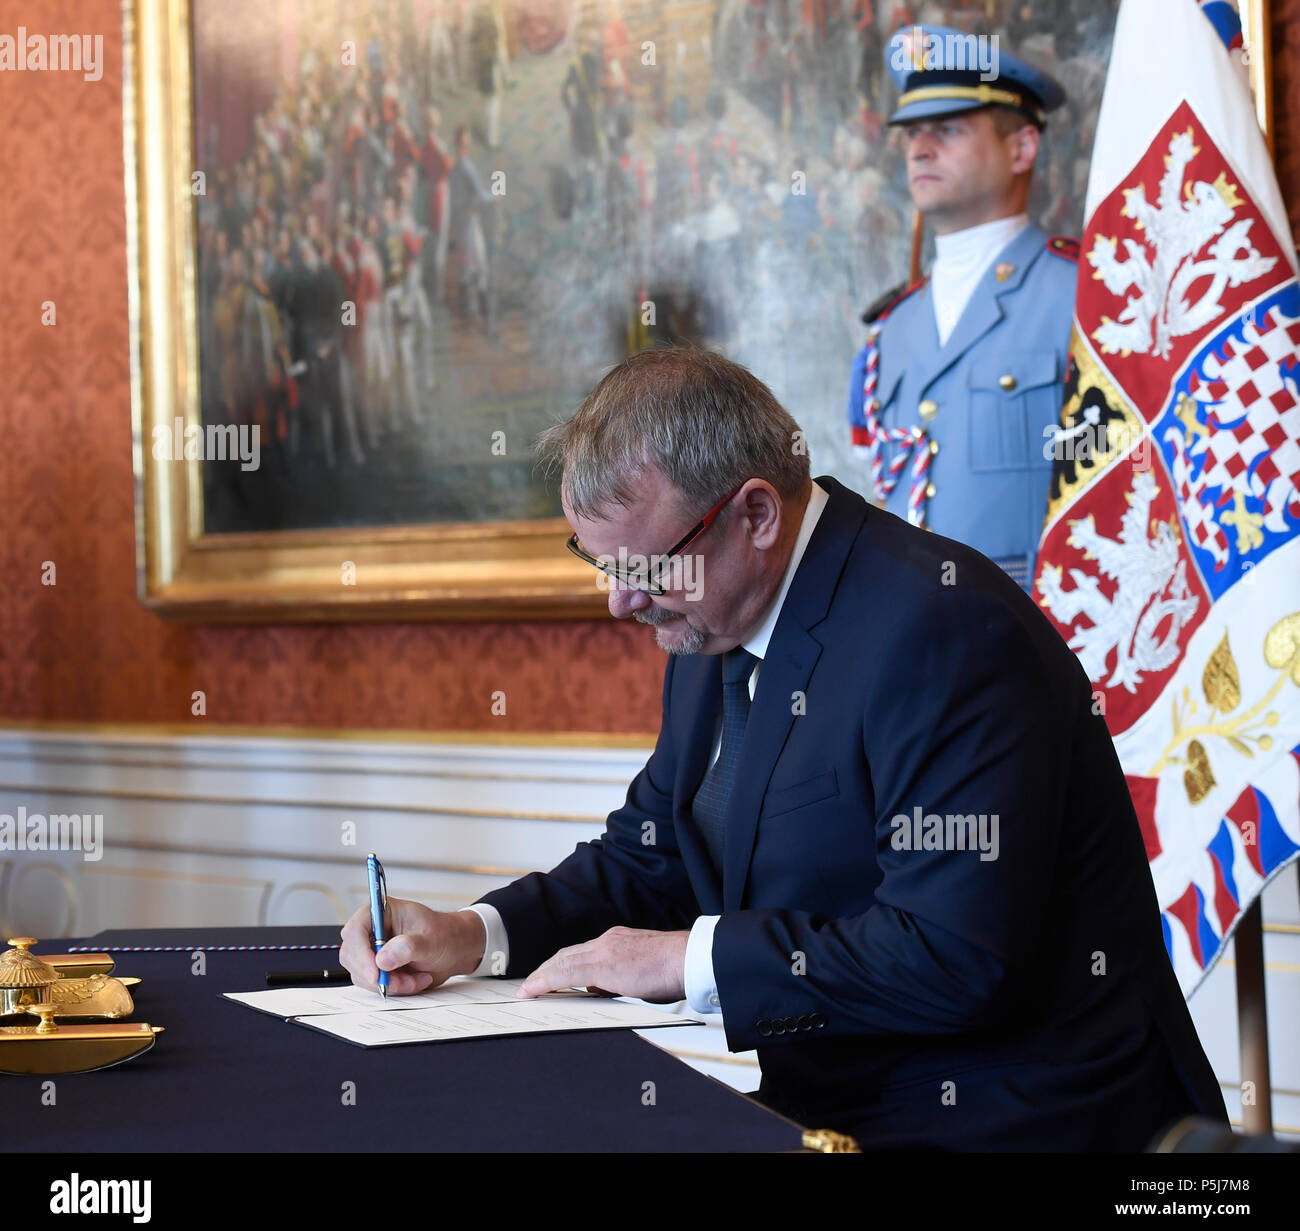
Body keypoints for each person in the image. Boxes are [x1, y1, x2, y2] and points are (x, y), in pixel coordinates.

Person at [341, 347, 1227, 1152]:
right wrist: (477, 933)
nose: (619, 604)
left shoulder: (940, 629)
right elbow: (651, 852)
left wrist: (689, 959)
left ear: (756, 515)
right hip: (840, 1109)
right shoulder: (710, 624)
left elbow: (956, 956)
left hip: (1028, 1121)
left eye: (643, 569)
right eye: (600, 564)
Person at [846, 25, 1078, 590]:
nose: (920, 148)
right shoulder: (890, 328)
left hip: (1041, 650)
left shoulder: (1084, 295)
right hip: (909, 646)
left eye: (947, 129)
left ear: (1021, 147)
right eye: (912, 134)